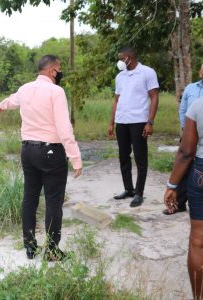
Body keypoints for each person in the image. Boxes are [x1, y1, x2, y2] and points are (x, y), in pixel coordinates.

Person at [0, 55, 82, 261]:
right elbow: (64, 127)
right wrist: (75, 157)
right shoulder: (56, 91)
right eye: (59, 69)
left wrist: (1, 105)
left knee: (30, 198)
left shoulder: (25, 88)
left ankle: (30, 247)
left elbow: (11, 101)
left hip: (28, 150)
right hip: (50, 151)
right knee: (53, 202)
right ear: (52, 71)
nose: (60, 73)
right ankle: (52, 251)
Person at [108, 47, 159, 207]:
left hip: (139, 121)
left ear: (130, 57)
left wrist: (150, 122)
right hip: (122, 121)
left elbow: (154, 96)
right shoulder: (120, 77)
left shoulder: (147, 72)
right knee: (123, 156)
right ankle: (128, 189)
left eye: (122, 58)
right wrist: (111, 122)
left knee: (140, 158)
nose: (120, 62)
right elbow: (117, 100)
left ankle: (139, 193)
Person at [164, 96, 203, 299]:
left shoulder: (198, 105)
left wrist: (172, 185)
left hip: (201, 173)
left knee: (198, 240)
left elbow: (187, 151)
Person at [166, 64, 203, 215]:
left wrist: (170, 185)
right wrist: (185, 129)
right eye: (201, 68)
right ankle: (179, 203)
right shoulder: (191, 89)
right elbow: (183, 109)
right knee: (185, 167)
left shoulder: (199, 104)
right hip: (190, 134)